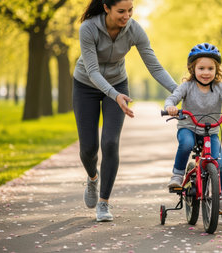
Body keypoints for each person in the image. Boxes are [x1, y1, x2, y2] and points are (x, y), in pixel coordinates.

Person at [73, 0, 177, 222]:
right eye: (121, 11)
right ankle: (92, 178)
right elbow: (92, 71)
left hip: (118, 85)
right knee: (88, 148)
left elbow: (155, 66)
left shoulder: (134, 30)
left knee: (110, 142)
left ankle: (104, 202)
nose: (127, 16)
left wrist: (181, 91)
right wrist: (114, 95)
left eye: (130, 10)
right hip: (85, 85)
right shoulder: (88, 28)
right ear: (106, 8)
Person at [164, 43, 222, 214]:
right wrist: (170, 107)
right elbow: (172, 98)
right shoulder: (187, 87)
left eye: (210, 68)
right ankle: (178, 175)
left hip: (211, 131)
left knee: (220, 163)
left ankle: (221, 197)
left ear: (216, 70)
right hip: (189, 127)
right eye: (201, 68)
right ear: (192, 69)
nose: (206, 72)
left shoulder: (219, 87)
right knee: (186, 144)